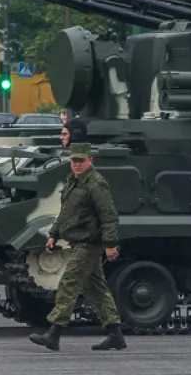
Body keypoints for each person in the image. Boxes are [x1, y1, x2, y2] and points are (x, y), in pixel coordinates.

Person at [29, 142, 126, 352]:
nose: (78, 164)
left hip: (89, 242)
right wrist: (53, 234)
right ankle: (115, 334)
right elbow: (65, 213)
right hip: (78, 240)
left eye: (81, 160)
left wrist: (110, 244)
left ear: (90, 160)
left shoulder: (95, 184)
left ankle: (54, 334)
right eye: (74, 160)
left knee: (68, 283)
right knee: (97, 288)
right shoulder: (74, 181)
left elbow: (109, 216)